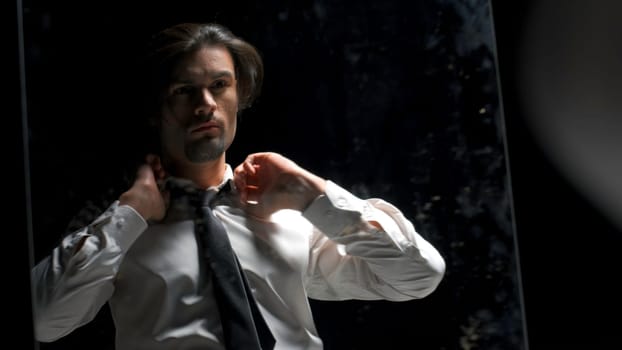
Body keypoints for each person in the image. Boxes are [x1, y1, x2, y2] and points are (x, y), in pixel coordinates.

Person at [31, 22, 446, 350]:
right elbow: (44, 322)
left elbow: (417, 276)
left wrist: (313, 193)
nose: (205, 104)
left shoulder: (291, 215)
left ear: (239, 94)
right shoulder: (118, 226)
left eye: (219, 85)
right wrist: (130, 215)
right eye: (184, 90)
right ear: (155, 108)